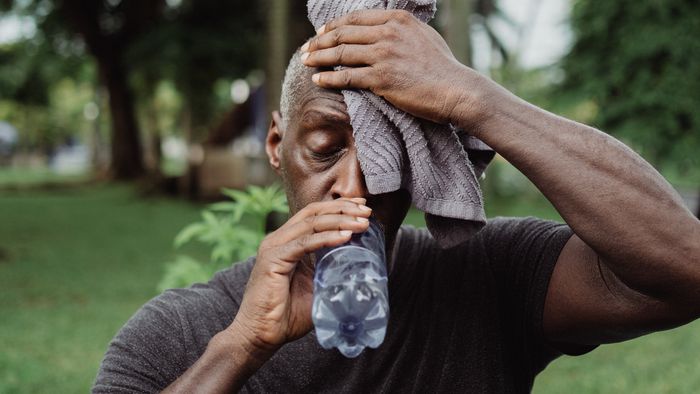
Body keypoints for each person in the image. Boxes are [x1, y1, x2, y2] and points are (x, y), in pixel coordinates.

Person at [93, 10, 700, 393]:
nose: (353, 188)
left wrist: (474, 99)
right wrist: (240, 346)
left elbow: (685, 268)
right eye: (326, 148)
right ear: (278, 144)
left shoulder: (489, 276)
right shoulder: (174, 336)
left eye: (389, 154)